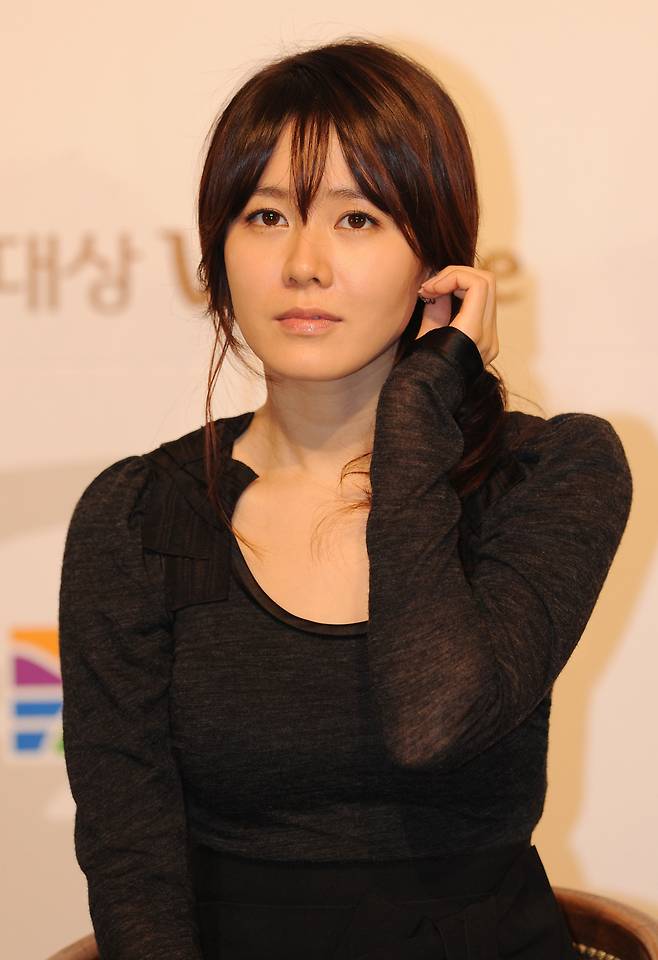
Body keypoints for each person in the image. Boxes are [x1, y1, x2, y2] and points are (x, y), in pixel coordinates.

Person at [58, 37, 633, 960]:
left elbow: (434, 720)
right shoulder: (136, 517)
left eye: (358, 218)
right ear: (217, 250)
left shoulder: (550, 473)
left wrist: (420, 410)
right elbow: (132, 863)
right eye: (266, 216)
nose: (305, 264)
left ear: (436, 257)